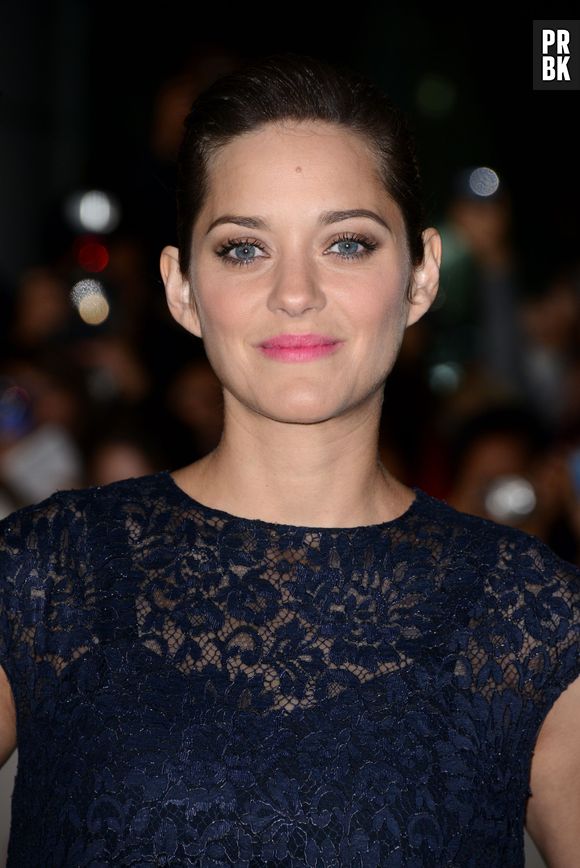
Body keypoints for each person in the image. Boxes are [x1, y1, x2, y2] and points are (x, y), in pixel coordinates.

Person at [0, 51, 578, 867]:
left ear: (421, 276)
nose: (295, 291)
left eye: (346, 243)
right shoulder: (47, 572)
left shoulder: (536, 617)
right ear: (181, 287)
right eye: (244, 249)